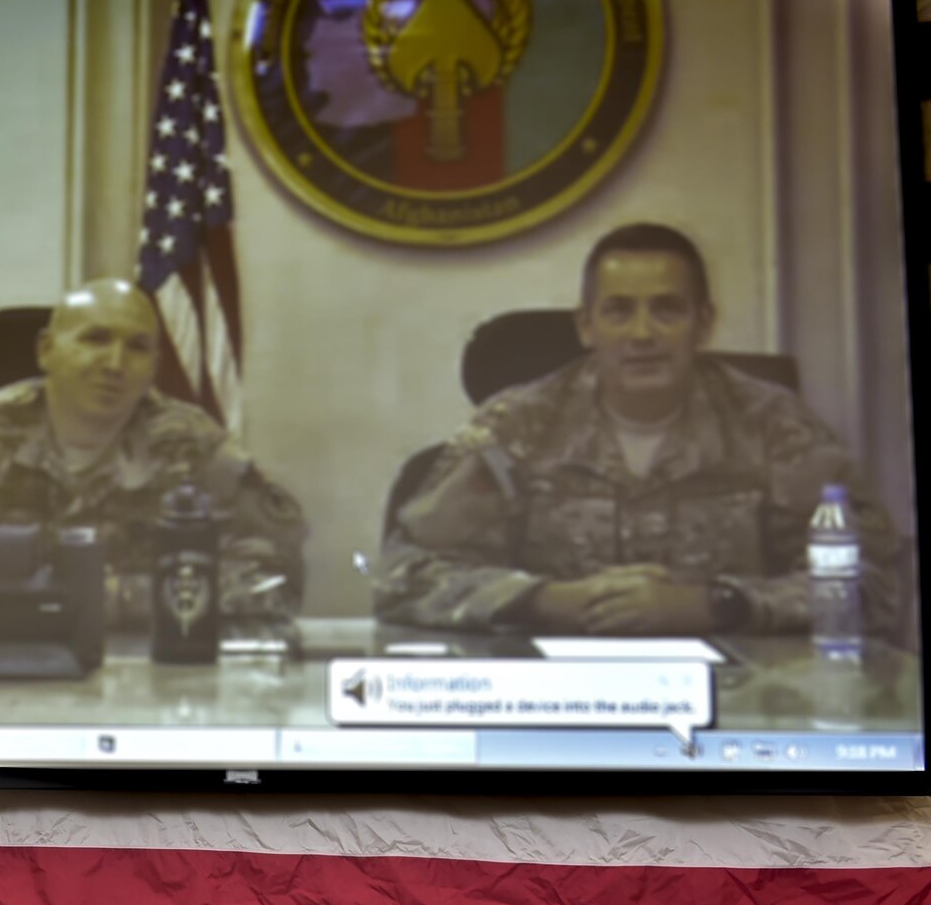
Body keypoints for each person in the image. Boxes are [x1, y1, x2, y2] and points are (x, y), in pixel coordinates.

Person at [376, 223, 898, 637]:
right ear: (586, 327)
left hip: (739, 699)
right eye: (619, 311)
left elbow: (877, 585)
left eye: (667, 310)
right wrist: (548, 600)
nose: (642, 333)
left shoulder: (776, 427)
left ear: (704, 322)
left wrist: (716, 605)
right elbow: (402, 577)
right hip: (553, 707)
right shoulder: (515, 427)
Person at [0, 278, 306, 634]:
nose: (114, 363)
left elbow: (278, 581)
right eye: (95, 339)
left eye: (137, 347)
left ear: (154, 365)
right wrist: (38, 607)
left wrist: (119, 599)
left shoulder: (195, 448)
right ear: (46, 350)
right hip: (2, 670)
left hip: (151, 679)